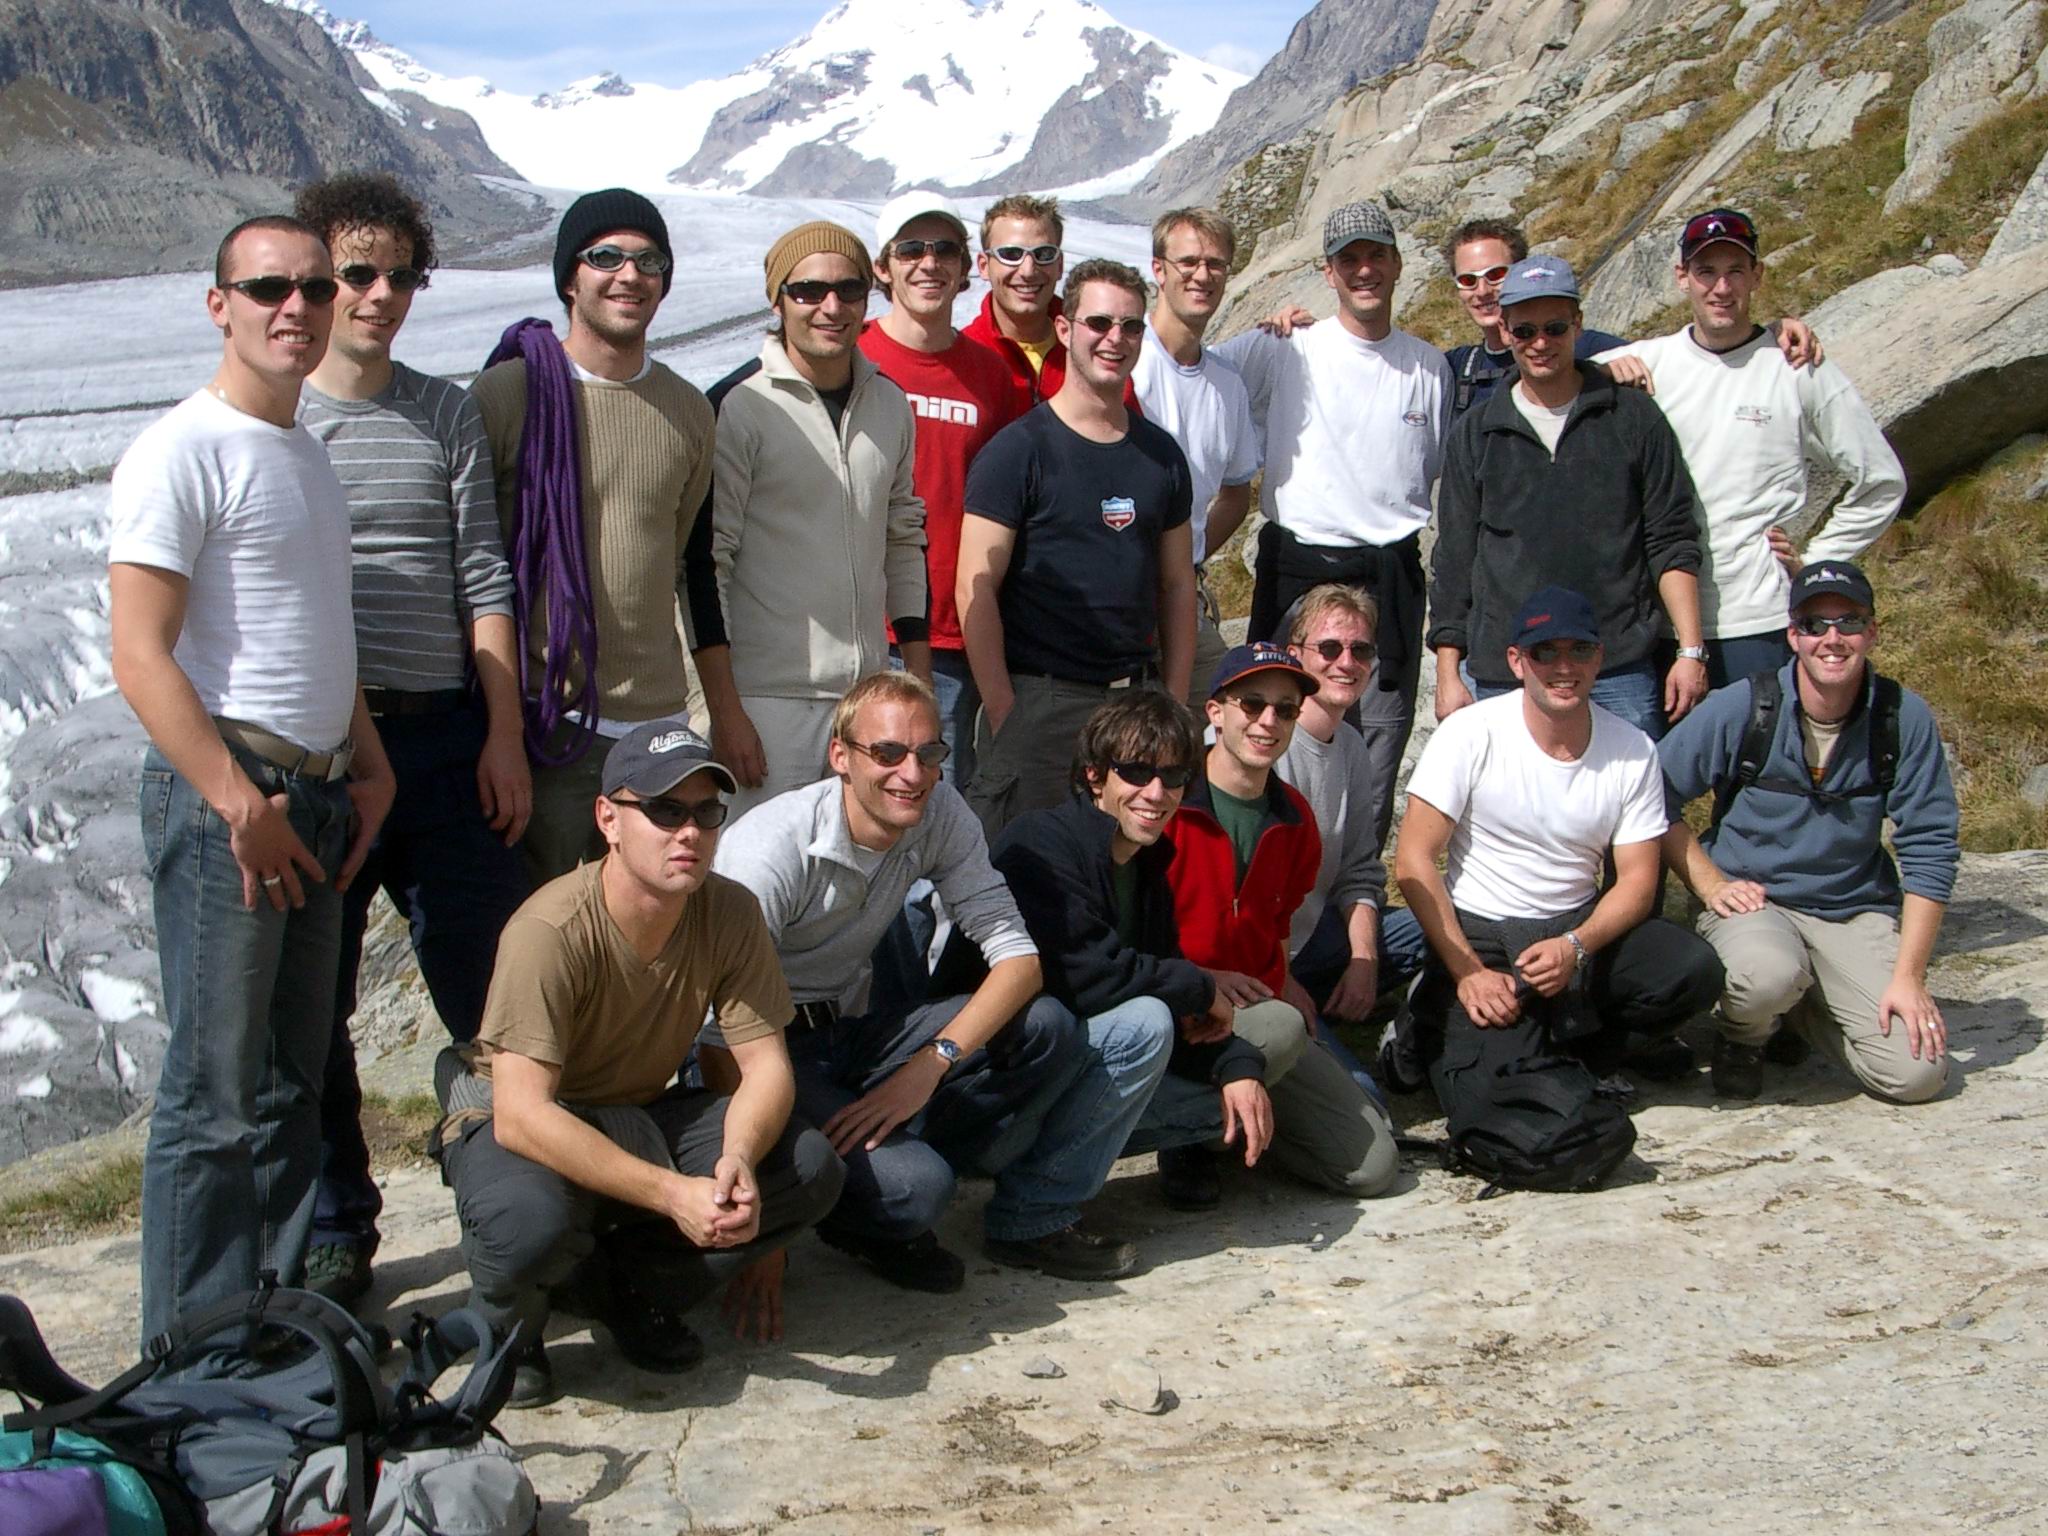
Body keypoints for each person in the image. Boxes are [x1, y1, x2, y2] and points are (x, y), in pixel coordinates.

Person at [109, 214, 398, 1343]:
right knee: (213, 1094)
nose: (299, 308)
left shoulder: (303, 449)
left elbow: (317, 628)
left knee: (289, 1084)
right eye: (270, 287)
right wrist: (241, 805)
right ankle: (186, 1356)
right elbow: (141, 654)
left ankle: (265, 1324)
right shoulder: (182, 449)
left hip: (312, 795)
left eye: (316, 287)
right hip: (232, 802)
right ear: (218, 303)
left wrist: (365, 761)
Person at [433, 721, 843, 1406]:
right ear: (608, 820)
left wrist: (738, 1158)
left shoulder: (730, 911)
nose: (689, 832)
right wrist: (671, 1194)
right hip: (517, 1116)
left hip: (633, 1110)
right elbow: (522, 1114)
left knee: (807, 1167)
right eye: (664, 810)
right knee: (528, 1223)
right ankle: (508, 1324)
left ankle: (624, 1288)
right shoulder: (548, 929)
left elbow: (766, 1068)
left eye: (706, 812)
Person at [710, 672, 1146, 1313]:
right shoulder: (770, 850)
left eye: (929, 752)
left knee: (1046, 1025)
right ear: (841, 756)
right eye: (887, 753)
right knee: (920, 1188)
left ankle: (882, 1156)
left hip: (849, 1031)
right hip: (764, 1049)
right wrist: (768, 1219)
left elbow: (1019, 961)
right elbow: (716, 1039)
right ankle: (861, 1205)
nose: (911, 774)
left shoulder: (939, 810)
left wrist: (929, 1064)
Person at [292, 173, 533, 1307]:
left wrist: (501, 732)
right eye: (357, 273)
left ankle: (521, 1211)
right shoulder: (278, 418)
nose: (379, 295)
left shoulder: (443, 412)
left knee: (494, 993)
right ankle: (337, 1228)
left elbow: (482, 572)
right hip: (329, 752)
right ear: (316, 278)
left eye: (399, 275)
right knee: (316, 1004)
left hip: (442, 737)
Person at [1392, 588, 1724, 1120]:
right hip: (1485, 937)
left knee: (1692, 970)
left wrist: (1576, 946)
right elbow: (1412, 860)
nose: (1563, 667)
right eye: (1545, 652)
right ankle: (1427, 1014)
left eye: (1579, 650)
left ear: (1599, 658)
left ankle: (1580, 1054)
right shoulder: (1469, 733)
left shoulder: (1632, 748)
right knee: (1497, 1106)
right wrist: (1469, 971)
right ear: (1517, 661)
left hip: (1574, 929)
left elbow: (1638, 882)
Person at [470, 189, 717, 883]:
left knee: (646, 920)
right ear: (569, 279)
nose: (629, 275)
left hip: (655, 723)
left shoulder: (688, 411)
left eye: (649, 260)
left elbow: (678, 556)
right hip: (546, 721)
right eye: (606, 257)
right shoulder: (508, 396)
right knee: (541, 918)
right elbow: (475, 565)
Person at [1658, 561, 1955, 1104]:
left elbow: (1931, 845)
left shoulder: (1902, 717)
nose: (1832, 639)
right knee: (1765, 976)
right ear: (1793, 635)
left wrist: (1909, 978)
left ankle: (1799, 1012)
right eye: (1814, 625)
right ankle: (1745, 1035)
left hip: (1854, 909)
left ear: (1872, 632)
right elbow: (1650, 794)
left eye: (1849, 622)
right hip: (1754, 904)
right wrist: (1709, 883)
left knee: (1916, 1075)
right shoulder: (1745, 705)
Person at [1213, 200, 1451, 849]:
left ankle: (1356, 892)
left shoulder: (1429, 368)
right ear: (1328, 272)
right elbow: (1186, 373)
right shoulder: (1285, 348)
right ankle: (1263, 879)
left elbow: (1429, 468)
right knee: (1268, 734)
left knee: (1376, 748)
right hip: (1298, 569)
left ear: (1397, 264)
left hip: (1389, 575)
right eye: (1350, 260)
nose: (1364, 270)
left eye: (1376, 256)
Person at [1595, 208, 1905, 689]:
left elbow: (1882, 479)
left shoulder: (1797, 367)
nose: (1722, 288)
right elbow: (1535, 379)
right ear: (1682, 277)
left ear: (1757, 275)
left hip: (1759, 621)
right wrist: (1598, 374)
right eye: (1706, 271)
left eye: (1736, 271)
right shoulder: (1645, 363)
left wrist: (1818, 560)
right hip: (1657, 623)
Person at [989, 692, 1274, 1207]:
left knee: (1265, 1043)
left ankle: (1151, 1152)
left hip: (1072, 1074)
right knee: (1146, 1021)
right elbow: (1087, 979)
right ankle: (1033, 1212)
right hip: (996, 1093)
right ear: (1095, 775)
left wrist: (1236, 1065)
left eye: (1173, 776)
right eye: (1136, 772)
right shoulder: (1039, 843)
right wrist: (1200, 986)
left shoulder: (1147, 866)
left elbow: (1163, 983)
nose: (1156, 792)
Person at [1154, 644, 1402, 1208]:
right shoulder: (1165, 799)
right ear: (1215, 712)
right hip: (1175, 1005)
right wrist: (1198, 980)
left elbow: (1281, 920)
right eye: (1252, 704)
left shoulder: (1295, 816)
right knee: (1282, 1029)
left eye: (1285, 709)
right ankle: (1188, 1139)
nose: (1268, 721)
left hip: (1257, 1009)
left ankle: (1238, 1128)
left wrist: (1282, 982)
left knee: (1371, 1167)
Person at [697, 220, 930, 818]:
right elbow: (706, 564)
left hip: (866, 703)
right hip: (766, 703)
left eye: (848, 289)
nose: (831, 307)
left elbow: (903, 539)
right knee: (752, 873)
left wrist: (918, 684)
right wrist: (724, 711)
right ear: (777, 300)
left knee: (856, 874)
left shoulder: (889, 403)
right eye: (807, 290)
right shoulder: (738, 405)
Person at [957, 259, 1197, 835]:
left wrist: (1173, 701)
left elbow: (1177, 584)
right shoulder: (1018, 451)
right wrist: (1004, 709)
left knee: (1125, 861)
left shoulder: (1162, 456)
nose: (1115, 339)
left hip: (1133, 700)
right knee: (1027, 864)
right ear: (1064, 328)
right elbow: (974, 587)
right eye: (1099, 323)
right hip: (1040, 703)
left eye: (1131, 326)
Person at [1429, 257, 1707, 741]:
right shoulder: (1475, 433)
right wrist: (1449, 673)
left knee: (1635, 791)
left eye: (1555, 328)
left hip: (1616, 666)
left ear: (1578, 324)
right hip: (1507, 671)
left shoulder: (1634, 417)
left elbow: (1671, 537)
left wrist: (1690, 650)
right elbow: (1454, 557)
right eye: (1525, 330)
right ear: (1505, 331)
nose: (1540, 343)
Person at [859, 192, 1029, 784]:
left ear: (963, 268)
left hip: (950, 637)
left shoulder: (991, 376)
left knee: (934, 800)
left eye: (944, 250)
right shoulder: (851, 356)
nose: (928, 263)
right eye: (911, 249)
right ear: (883, 267)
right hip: (858, 626)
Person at [1274, 586, 1429, 1050]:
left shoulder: (1352, 747)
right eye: (1329, 648)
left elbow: (1359, 871)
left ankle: (1345, 999)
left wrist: (1364, 961)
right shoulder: (1264, 743)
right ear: (1295, 655)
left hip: (1314, 933)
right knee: (1361, 1092)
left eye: (1360, 650)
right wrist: (1279, 977)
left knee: (1442, 925)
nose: (1346, 662)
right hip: (1254, 956)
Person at [1131, 207, 1263, 690]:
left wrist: (1189, 557)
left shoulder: (1227, 383)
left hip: (1183, 593)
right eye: (1188, 262)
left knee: (1216, 712)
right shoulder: (1126, 361)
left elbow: (1236, 492)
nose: (1202, 276)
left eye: (1216, 264)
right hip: (1116, 589)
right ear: (1159, 269)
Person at [1438, 219, 1625, 419]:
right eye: (1468, 280)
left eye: (1496, 274)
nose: (1482, 291)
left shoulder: (1587, 347)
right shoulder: (1454, 367)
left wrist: (1617, 367)